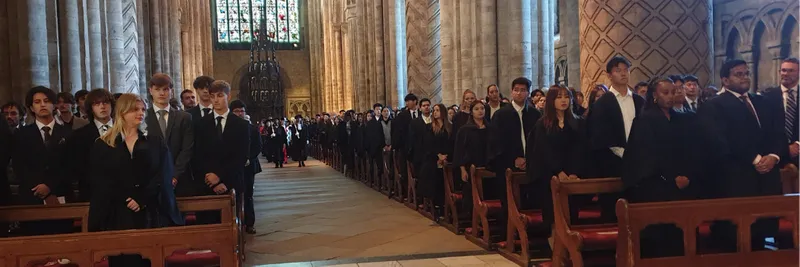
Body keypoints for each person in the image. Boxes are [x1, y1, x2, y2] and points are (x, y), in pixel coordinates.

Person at [699, 59, 784, 250]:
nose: (745, 77)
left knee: (761, 236)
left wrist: (773, 156)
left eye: (746, 73)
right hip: (736, 179)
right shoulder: (714, 106)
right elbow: (719, 140)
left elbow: (777, 133)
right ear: (725, 80)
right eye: (739, 74)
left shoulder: (762, 101)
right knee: (734, 239)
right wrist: (755, 159)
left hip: (766, 180)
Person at [622, 77, 699, 257]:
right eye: (665, 93)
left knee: (682, 238)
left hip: (682, 187)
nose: (670, 97)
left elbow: (692, 150)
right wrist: (669, 179)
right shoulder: (644, 121)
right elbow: (644, 157)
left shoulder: (683, 120)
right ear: (655, 95)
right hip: (656, 187)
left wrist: (687, 175)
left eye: (673, 92)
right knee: (660, 241)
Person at [88, 93, 184, 231]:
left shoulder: (155, 142)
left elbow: (163, 174)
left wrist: (141, 198)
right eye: (135, 109)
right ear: (122, 112)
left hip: (151, 209)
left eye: (143, 109)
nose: (140, 113)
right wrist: (126, 199)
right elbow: (101, 179)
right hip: (116, 211)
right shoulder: (104, 144)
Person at [527, 85, 588, 236]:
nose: (563, 100)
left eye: (566, 97)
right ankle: (555, 247)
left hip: (572, 177)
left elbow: (581, 150)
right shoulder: (543, 124)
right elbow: (543, 151)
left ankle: (570, 248)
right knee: (552, 214)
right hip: (549, 176)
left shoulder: (578, 122)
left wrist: (574, 172)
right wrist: (558, 171)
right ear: (551, 101)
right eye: (559, 97)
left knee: (571, 214)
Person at [194, 80, 249, 224]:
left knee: (230, 227)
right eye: (212, 96)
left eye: (219, 96)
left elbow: (241, 156)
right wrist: (211, 180)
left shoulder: (241, 125)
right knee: (208, 227)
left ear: (228, 96)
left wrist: (221, 177)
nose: (215, 100)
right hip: (207, 184)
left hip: (231, 182)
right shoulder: (200, 124)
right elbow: (198, 155)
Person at [145, 73, 195, 197]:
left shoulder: (183, 117)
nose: (162, 93)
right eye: (157, 89)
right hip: (151, 178)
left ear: (171, 92)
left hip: (180, 178)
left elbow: (187, 148)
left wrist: (174, 174)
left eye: (166, 89)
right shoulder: (144, 117)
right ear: (151, 91)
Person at [66, 89, 115, 202]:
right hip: (92, 194)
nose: (102, 107)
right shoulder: (79, 136)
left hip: (122, 195)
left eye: (105, 102)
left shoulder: (125, 132)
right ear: (91, 108)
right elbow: (77, 166)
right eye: (97, 104)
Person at [454, 101, 492, 220]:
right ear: (471, 112)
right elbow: (459, 150)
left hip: (487, 166)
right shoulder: (465, 130)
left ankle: (488, 217)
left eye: (482, 108)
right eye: (476, 109)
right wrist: (462, 169)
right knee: (471, 193)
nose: (480, 111)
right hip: (471, 166)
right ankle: (473, 218)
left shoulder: (490, 128)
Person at [231, 100, 261, 234]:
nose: (239, 114)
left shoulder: (252, 128)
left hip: (249, 166)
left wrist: (249, 158)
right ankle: (234, 221)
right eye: (236, 111)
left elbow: (257, 146)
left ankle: (249, 223)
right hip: (232, 167)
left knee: (248, 195)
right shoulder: (227, 128)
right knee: (234, 195)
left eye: (241, 111)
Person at [763, 57, 799, 168]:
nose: (786, 74)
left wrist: (797, 145)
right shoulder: (767, 97)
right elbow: (766, 127)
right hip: (775, 156)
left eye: (790, 71)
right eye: (783, 70)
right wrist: (784, 148)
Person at [419, 103, 452, 218]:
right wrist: (438, 156)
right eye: (434, 110)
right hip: (433, 159)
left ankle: (449, 205)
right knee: (435, 177)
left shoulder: (449, 127)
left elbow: (452, 143)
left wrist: (446, 156)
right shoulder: (429, 127)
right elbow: (428, 145)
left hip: (447, 158)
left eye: (438, 110)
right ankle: (437, 206)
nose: (435, 112)